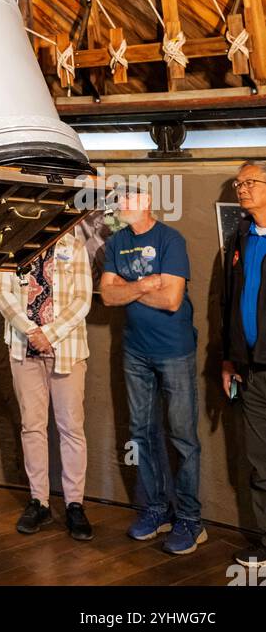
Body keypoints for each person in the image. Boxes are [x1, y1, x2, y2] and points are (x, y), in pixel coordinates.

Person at [100, 187, 205, 555]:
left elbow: (172, 299)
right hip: (135, 353)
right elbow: (107, 296)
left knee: (182, 437)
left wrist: (126, 288)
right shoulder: (116, 243)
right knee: (142, 434)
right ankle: (157, 510)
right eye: (118, 203)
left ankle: (190, 518)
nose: (120, 207)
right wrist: (146, 283)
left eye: (127, 201)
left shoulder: (170, 239)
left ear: (146, 203)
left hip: (174, 351)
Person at [0, 231, 94, 541]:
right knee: (32, 427)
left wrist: (50, 333)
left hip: (68, 350)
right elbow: (2, 294)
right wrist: (31, 331)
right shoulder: (11, 245)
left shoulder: (73, 246)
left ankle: (74, 504)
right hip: (24, 350)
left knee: (71, 428)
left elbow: (82, 299)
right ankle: (39, 501)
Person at [221, 159, 266, 573]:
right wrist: (229, 359)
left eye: (250, 182)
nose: (242, 188)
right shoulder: (240, 237)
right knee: (259, 461)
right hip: (251, 372)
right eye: (238, 183)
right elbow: (229, 303)